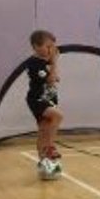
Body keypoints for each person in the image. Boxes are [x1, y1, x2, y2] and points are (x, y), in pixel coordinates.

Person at [26, 29, 64, 177]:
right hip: (38, 100)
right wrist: (54, 62)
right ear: (36, 46)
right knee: (58, 116)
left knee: (44, 130)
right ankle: (50, 147)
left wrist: (53, 73)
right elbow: (49, 79)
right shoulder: (33, 63)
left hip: (50, 98)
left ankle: (45, 164)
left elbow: (53, 79)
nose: (51, 50)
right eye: (47, 46)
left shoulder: (46, 61)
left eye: (52, 47)